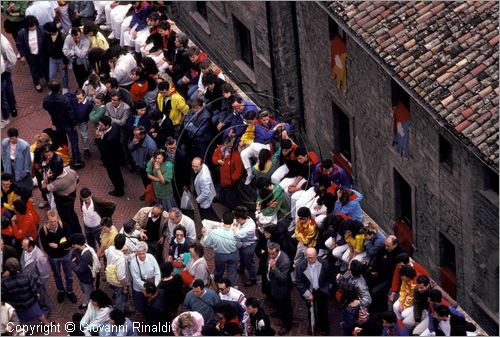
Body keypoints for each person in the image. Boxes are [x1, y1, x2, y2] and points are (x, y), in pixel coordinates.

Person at [43, 79, 85, 168]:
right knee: (73, 140)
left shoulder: (46, 100)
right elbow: (70, 113)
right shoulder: (64, 99)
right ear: (59, 88)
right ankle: (76, 159)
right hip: (68, 123)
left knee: (62, 141)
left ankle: (65, 157)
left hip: (57, 123)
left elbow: (45, 107)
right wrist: (74, 123)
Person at [38, 209, 77, 304]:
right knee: (57, 275)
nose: (53, 223)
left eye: (55, 221)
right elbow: (46, 247)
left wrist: (57, 246)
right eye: (51, 221)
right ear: (47, 220)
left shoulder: (64, 226)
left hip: (66, 255)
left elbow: (70, 241)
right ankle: (61, 291)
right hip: (53, 257)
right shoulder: (43, 231)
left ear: (57, 219)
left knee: (69, 274)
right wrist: (62, 247)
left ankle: (70, 291)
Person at [294, 248, 333, 335]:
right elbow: (299, 282)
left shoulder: (324, 263)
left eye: (312, 257)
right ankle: (312, 325)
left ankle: (324, 327)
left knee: (323, 309)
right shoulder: (300, 266)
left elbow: (330, 277)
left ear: (316, 256)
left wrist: (328, 288)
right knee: (310, 310)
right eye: (308, 258)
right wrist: (307, 293)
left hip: (322, 290)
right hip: (309, 291)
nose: (310, 260)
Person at [40, 155, 81, 234]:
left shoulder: (58, 183)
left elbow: (44, 190)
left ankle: (73, 237)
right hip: (72, 198)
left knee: (67, 222)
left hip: (63, 204)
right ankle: (79, 232)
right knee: (73, 216)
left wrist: (45, 179)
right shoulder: (71, 171)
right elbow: (77, 180)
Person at [1, 257, 49, 324]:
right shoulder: (27, 276)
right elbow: (34, 289)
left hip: (16, 305)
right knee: (39, 314)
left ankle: (25, 332)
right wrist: (36, 297)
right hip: (30, 302)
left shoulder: (4, 282)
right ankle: (47, 324)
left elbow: (3, 296)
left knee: (19, 320)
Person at [262, 242, 293, 335]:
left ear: (278, 251)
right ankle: (280, 313)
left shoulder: (285, 261)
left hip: (282, 288)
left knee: (286, 306)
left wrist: (274, 267)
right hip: (272, 285)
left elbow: (283, 278)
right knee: (277, 302)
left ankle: (287, 324)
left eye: (272, 254)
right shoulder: (271, 254)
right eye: (269, 253)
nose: (270, 256)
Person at [201, 212, 240, 285]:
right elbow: (240, 245)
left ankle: (218, 284)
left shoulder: (214, 232)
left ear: (222, 220)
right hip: (233, 254)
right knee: (232, 272)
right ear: (232, 221)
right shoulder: (236, 232)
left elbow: (206, 243)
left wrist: (204, 234)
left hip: (220, 255)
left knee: (219, 271)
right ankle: (230, 286)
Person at [95, 115, 125, 197]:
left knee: (113, 175)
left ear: (107, 126)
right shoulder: (114, 126)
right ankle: (121, 182)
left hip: (111, 160)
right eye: (99, 124)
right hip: (117, 155)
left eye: (101, 125)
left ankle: (119, 191)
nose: (99, 126)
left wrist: (98, 138)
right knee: (118, 172)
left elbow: (103, 150)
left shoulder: (109, 138)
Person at [16, 15, 47, 92]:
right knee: (34, 70)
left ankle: (48, 80)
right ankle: (37, 83)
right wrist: (22, 55)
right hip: (31, 55)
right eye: (31, 26)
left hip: (41, 53)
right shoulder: (22, 33)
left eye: (34, 25)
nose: (33, 28)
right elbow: (20, 45)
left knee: (45, 68)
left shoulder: (41, 29)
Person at [20, 237, 50, 316]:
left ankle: (46, 309)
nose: (22, 247)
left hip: (36, 282)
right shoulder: (25, 250)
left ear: (30, 246)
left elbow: (44, 275)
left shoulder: (40, 257)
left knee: (42, 295)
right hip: (28, 280)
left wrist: (39, 284)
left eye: (24, 246)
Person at [212, 138, 244, 210]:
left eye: (232, 147)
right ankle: (221, 199)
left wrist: (232, 179)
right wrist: (217, 161)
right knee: (222, 190)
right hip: (222, 178)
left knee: (231, 196)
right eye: (229, 147)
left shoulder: (236, 156)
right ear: (225, 145)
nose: (230, 149)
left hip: (230, 182)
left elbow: (239, 170)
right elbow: (214, 157)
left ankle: (232, 208)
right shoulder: (220, 149)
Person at [129, 241, 161, 313]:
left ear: (146, 251)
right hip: (140, 288)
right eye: (139, 254)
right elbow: (136, 279)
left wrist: (154, 287)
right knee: (140, 306)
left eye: (143, 253)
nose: (141, 256)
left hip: (152, 286)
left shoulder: (151, 257)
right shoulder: (133, 263)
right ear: (136, 253)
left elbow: (157, 272)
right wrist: (146, 289)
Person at [70, 233, 97, 310]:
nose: (72, 246)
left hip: (87, 279)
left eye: (74, 244)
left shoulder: (86, 254)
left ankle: (91, 308)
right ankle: (88, 302)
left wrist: (72, 263)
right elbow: (72, 256)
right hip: (82, 278)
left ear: (78, 244)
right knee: (84, 291)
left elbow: (79, 269)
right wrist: (74, 263)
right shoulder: (77, 249)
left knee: (89, 294)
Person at [1, 128, 33, 193]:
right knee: (10, 175)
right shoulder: (4, 142)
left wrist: (26, 170)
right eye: (9, 138)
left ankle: (19, 190)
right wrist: (4, 164)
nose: (10, 140)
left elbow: (27, 159)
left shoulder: (24, 145)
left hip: (19, 163)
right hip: (9, 162)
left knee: (19, 177)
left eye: (12, 138)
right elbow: (3, 155)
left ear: (16, 136)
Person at [233, 206, 258, 287]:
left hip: (248, 245)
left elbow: (237, 234)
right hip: (243, 244)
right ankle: (241, 268)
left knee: (249, 262)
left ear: (240, 218)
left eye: (236, 219)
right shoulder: (245, 219)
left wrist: (233, 227)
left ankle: (253, 278)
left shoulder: (249, 227)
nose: (236, 221)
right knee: (242, 258)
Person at [104, 234, 129, 312]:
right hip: (118, 282)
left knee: (116, 291)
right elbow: (121, 276)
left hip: (110, 277)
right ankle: (119, 313)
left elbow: (105, 252)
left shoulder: (111, 248)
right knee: (120, 297)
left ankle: (115, 293)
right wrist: (124, 287)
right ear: (123, 244)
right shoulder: (121, 259)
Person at [43, 21, 69, 94]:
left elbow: (66, 51)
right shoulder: (46, 35)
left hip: (61, 59)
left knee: (64, 74)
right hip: (52, 58)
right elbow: (44, 46)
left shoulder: (63, 37)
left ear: (51, 31)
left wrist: (65, 62)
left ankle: (65, 87)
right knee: (51, 75)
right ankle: (53, 88)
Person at [128, 125, 157, 191]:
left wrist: (146, 165)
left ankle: (150, 195)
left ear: (143, 135)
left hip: (146, 167)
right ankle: (147, 192)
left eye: (136, 135)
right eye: (134, 135)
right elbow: (130, 148)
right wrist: (133, 144)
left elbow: (154, 158)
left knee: (148, 182)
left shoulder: (150, 145)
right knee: (144, 181)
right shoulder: (137, 138)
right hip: (139, 163)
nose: (134, 137)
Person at [1, 33, 18, 124]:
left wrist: (6, 70)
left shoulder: (4, 44)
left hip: (4, 71)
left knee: (8, 90)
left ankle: (12, 107)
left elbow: (12, 60)